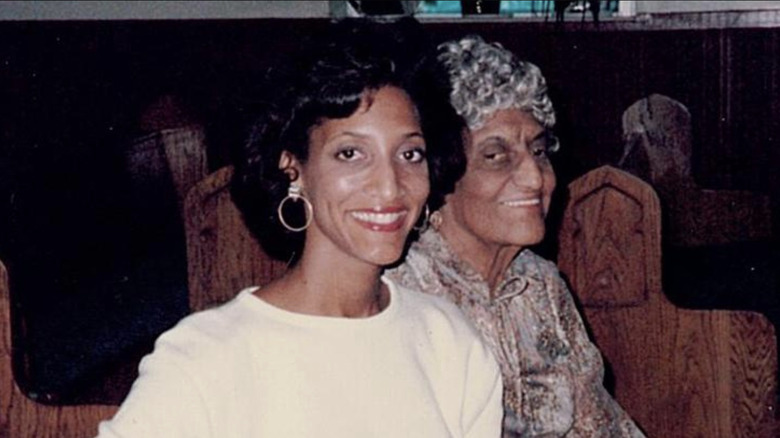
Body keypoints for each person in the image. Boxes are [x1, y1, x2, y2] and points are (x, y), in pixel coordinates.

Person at [95, 21, 502, 438]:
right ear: (294, 169)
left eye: (409, 154)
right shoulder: (207, 358)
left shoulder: (450, 343)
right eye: (350, 153)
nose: (389, 185)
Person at [387, 35, 646, 437]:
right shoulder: (400, 295)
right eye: (496, 156)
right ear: (440, 173)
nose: (535, 177)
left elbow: (602, 428)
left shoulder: (541, 286)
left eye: (539, 151)